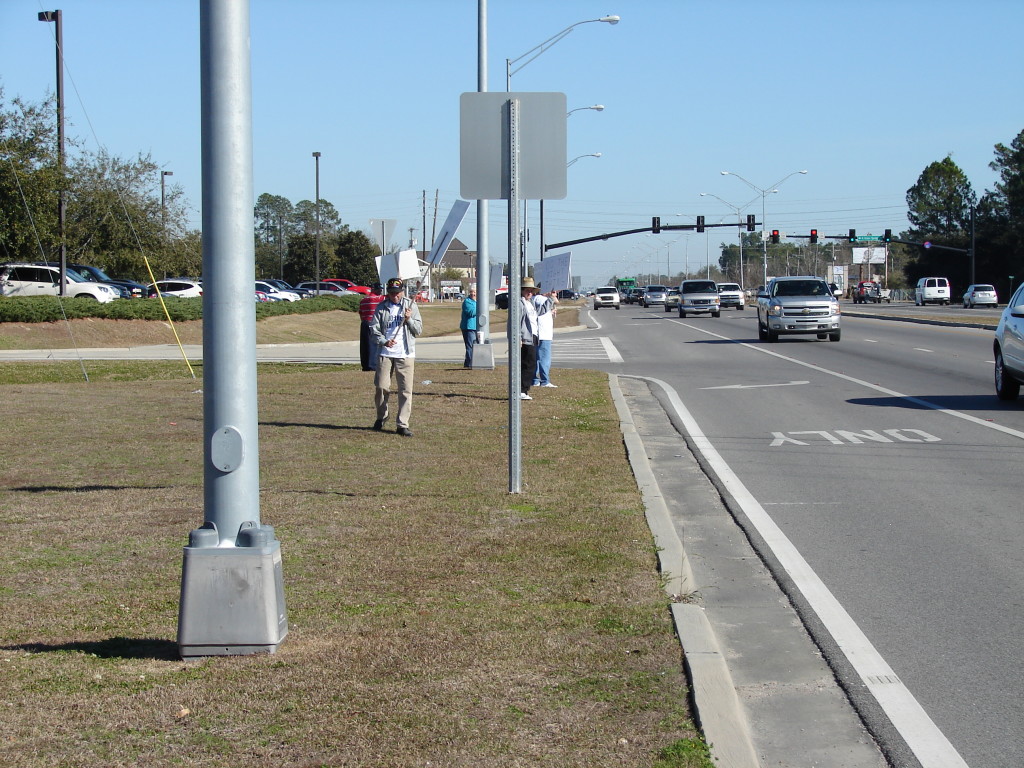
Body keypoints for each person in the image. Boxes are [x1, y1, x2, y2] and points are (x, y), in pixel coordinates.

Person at [370, 278, 423, 437]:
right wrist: (384, 341)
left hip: (405, 354)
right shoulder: (381, 308)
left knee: (405, 390)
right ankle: (382, 416)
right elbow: (374, 330)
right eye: (392, 293)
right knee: (381, 386)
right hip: (385, 353)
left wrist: (409, 319)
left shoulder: (411, 305)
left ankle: (402, 424)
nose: (395, 296)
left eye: (397, 293)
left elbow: (418, 330)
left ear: (403, 291)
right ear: (388, 293)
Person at [509, 277, 539, 401]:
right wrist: (519, 338)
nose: (529, 293)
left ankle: (525, 390)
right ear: (522, 290)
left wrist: (551, 298)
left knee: (531, 364)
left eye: (531, 291)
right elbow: (516, 322)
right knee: (527, 365)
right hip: (525, 338)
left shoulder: (531, 303)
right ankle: (521, 390)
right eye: (527, 290)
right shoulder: (520, 304)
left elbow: (540, 312)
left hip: (533, 337)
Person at [531, 288, 558, 387]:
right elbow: (543, 309)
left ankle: (535, 380)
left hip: (539, 333)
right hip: (543, 334)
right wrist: (552, 297)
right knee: (544, 358)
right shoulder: (540, 298)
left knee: (537, 358)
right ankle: (544, 380)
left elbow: (541, 312)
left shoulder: (535, 299)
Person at [358, 282, 385, 371]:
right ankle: (373, 365)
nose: (380, 291)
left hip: (365, 322)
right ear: (373, 289)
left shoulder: (363, 300)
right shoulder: (379, 299)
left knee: (365, 345)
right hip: (373, 322)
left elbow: (361, 313)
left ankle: (365, 365)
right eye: (379, 289)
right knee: (373, 345)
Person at [459, 287, 477, 368]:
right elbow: (471, 312)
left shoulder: (478, 301)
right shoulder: (467, 302)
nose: (473, 294)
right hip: (468, 327)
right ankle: (470, 364)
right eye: (471, 292)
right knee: (470, 346)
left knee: (474, 346)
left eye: (474, 292)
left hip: (476, 327)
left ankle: (467, 364)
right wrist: (481, 306)